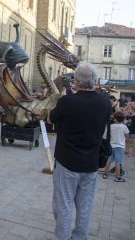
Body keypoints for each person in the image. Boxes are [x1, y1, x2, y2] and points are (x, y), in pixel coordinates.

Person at [47, 62, 110, 240]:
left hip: (67, 164)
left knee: (63, 206)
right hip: (91, 165)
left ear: (76, 81)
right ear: (94, 80)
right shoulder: (104, 102)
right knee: (85, 207)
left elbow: (50, 118)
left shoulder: (67, 102)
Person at [102, 111, 129, 182]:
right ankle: (117, 177)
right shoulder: (124, 126)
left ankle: (105, 174)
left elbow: (105, 136)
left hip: (111, 146)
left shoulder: (110, 126)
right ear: (123, 119)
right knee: (118, 162)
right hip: (120, 147)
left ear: (114, 119)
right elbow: (127, 135)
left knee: (108, 161)